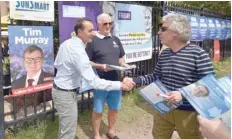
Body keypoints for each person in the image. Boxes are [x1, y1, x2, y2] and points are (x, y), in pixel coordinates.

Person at [124, 14, 215, 139]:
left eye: (163, 28)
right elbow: (155, 76)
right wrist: (135, 81)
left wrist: (183, 94)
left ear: (176, 32)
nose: (158, 32)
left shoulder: (198, 54)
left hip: (188, 113)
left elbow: (210, 83)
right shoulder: (165, 53)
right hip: (163, 108)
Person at [52, 17, 134, 139]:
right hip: (66, 93)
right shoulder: (77, 50)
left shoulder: (68, 43)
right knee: (68, 132)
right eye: (90, 31)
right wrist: (120, 85)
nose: (93, 33)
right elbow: (93, 81)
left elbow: (58, 64)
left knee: (66, 129)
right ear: (80, 32)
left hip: (63, 90)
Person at [85, 13, 133, 139]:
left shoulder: (115, 39)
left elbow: (121, 56)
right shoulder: (92, 41)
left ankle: (111, 131)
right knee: (98, 110)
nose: (108, 26)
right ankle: (96, 135)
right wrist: (101, 66)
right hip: (100, 82)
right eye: (105, 24)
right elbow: (87, 62)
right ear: (98, 25)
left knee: (114, 108)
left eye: (110, 23)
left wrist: (124, 64)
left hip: (116, 82)